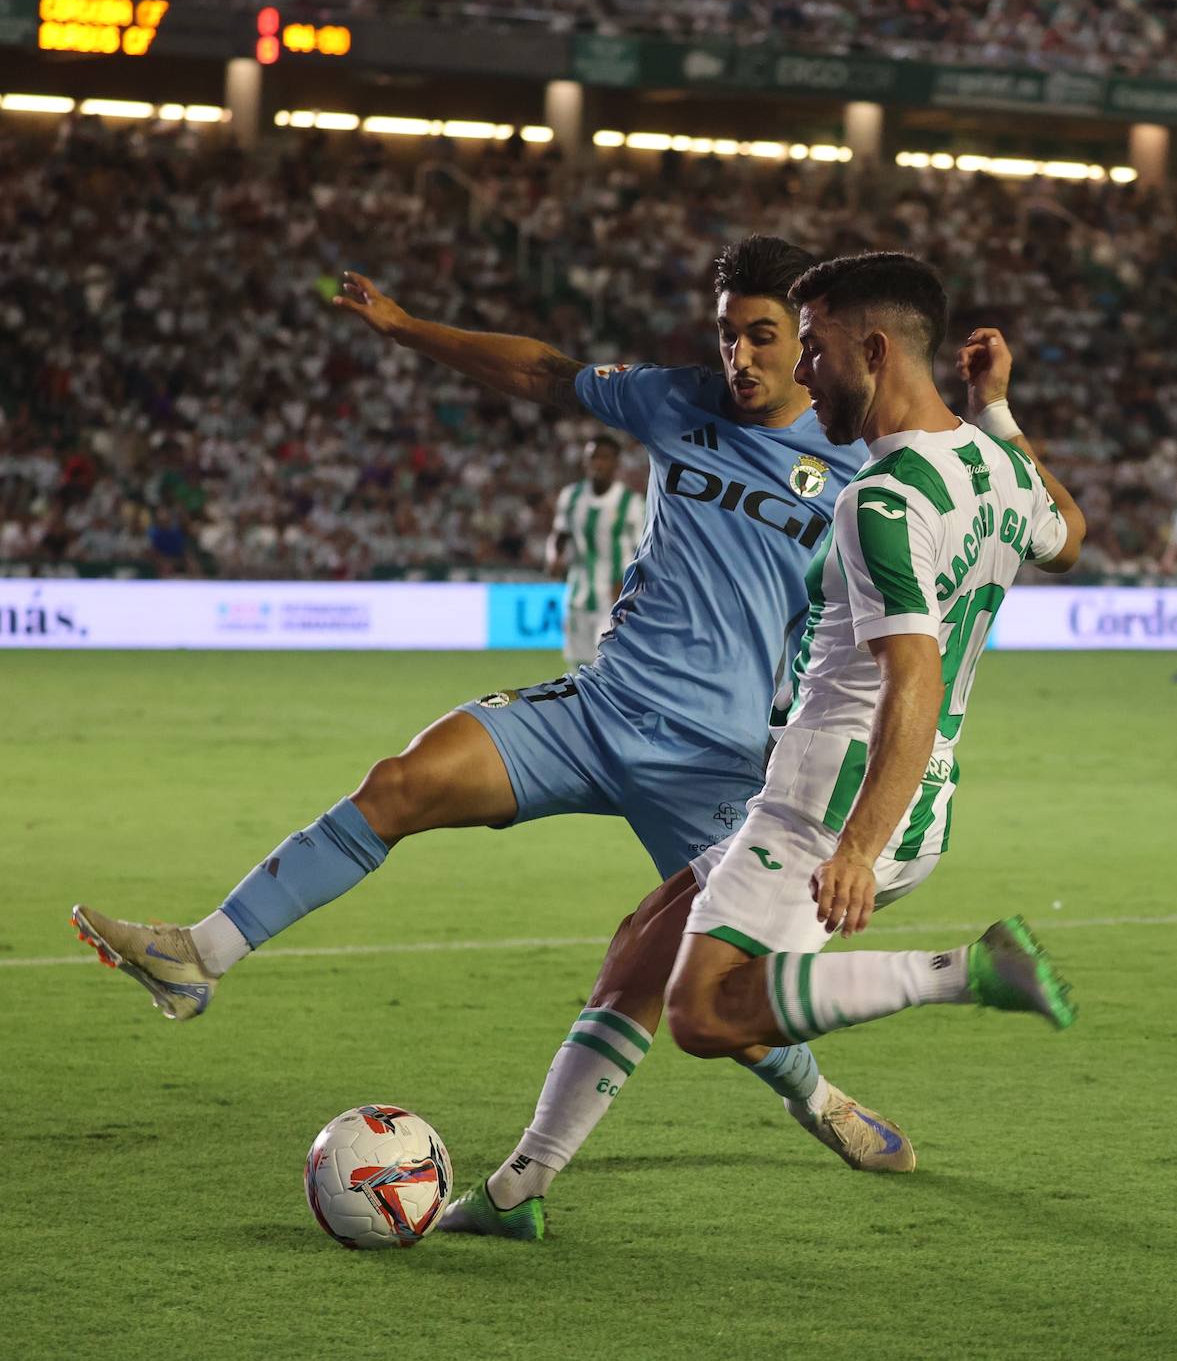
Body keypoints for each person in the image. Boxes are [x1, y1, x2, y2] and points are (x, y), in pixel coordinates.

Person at [71, 235, 894, 1246]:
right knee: (402, 781)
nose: (740, 358)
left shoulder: (861, 459)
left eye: (762, 337)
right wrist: (407, 327)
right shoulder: (672, 400)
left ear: (806, 340)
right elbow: (542, 371)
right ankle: (200, 954)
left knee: (714, 994)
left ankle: (818, 1102)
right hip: (597, 711)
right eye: (726, 334)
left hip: (720, 765)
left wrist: (994, 414)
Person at [661, 254, 1084, 1083]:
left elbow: (912, 677)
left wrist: (853, 848)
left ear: (875, 350)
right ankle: (522, 1181)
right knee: (649, 934)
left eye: (815, 346)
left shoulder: (883, 498)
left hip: (832, 797)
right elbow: (1067, 535)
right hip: (921, 798)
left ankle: (964, 971)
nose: (803, 371)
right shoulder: (997, 466)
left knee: (702, 1010)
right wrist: (993, 407)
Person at [546, 436, 645, 670]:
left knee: (605, 666)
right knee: (577, 667)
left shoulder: (630, 503)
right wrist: (553, 557)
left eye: (604, 458)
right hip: (578, 595)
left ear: (616, 463)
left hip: (613, 598)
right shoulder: (571, 497)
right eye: (593, 458)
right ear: (584, 462)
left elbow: (642, 551)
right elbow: (559, 534)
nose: (598, 464)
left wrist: (625, 585)